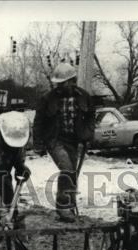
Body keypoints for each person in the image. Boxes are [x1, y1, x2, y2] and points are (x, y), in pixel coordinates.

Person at [33, 62, 95, 222]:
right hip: (54, 139)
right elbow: (38, 121)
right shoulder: (48, 98)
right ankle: (63, 208)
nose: (59, 86)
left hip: (73, 140)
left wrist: (88, 134)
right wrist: (38, 143)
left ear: (72, 81)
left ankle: (70, 203)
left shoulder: (84, 96)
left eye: (63, 83)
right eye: (58, 83)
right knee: (67, 169)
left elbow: (90, 117)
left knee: (71, 173)